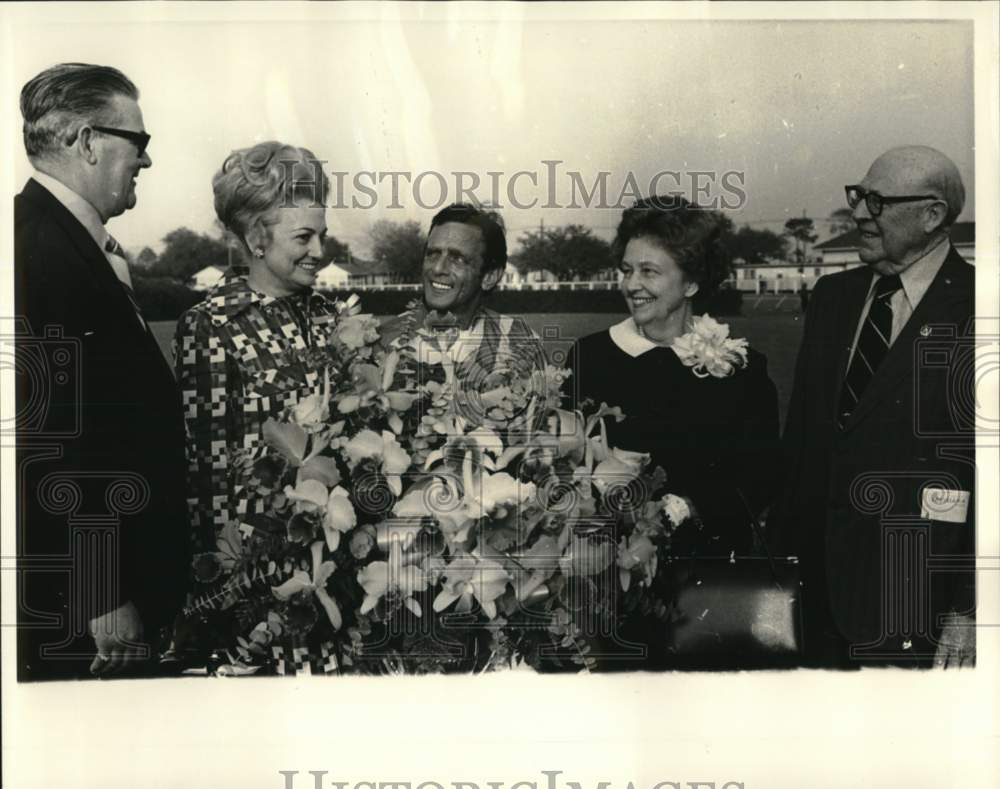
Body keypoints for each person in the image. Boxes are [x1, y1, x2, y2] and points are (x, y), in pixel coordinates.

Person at [14, 63, 189, 679]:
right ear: (87, 142)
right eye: (137, 143)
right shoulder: (36, 251)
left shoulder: (65, 242)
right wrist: (100, 592)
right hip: (88, 615)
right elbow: (42, 444)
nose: (146, 161)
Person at [770, 146, 975, 668]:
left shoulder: (982, 307)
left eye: (877, 201)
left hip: (916, 602)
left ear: (932, 215)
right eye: (859, 196)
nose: (859, 212)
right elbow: (801, 444)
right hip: (811, 594)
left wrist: (970, 608)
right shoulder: (832, 296)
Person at [172, 142, 344, 670]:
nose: (319, 250)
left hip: (338, 564)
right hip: (263, 587)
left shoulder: (331, 316)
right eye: (303, 237)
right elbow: (209, 484)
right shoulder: (212, 324)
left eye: (322, 234)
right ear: (255, 239)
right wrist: (231, 600)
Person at [566, 196, 781, 558]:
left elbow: (760, 480)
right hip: (605, 565)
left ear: (692, 283)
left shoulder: (742, 368)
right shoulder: (590, 356)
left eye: (649, 271)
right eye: (626, 270)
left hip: (710, 568)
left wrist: (682, 510)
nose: (631, 284)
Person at [381, 203, 547, 434]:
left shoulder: (521, 342)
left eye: (457, 259)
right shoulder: (384, 340)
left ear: (489, 277)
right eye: (432, 254)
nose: (438, 268)